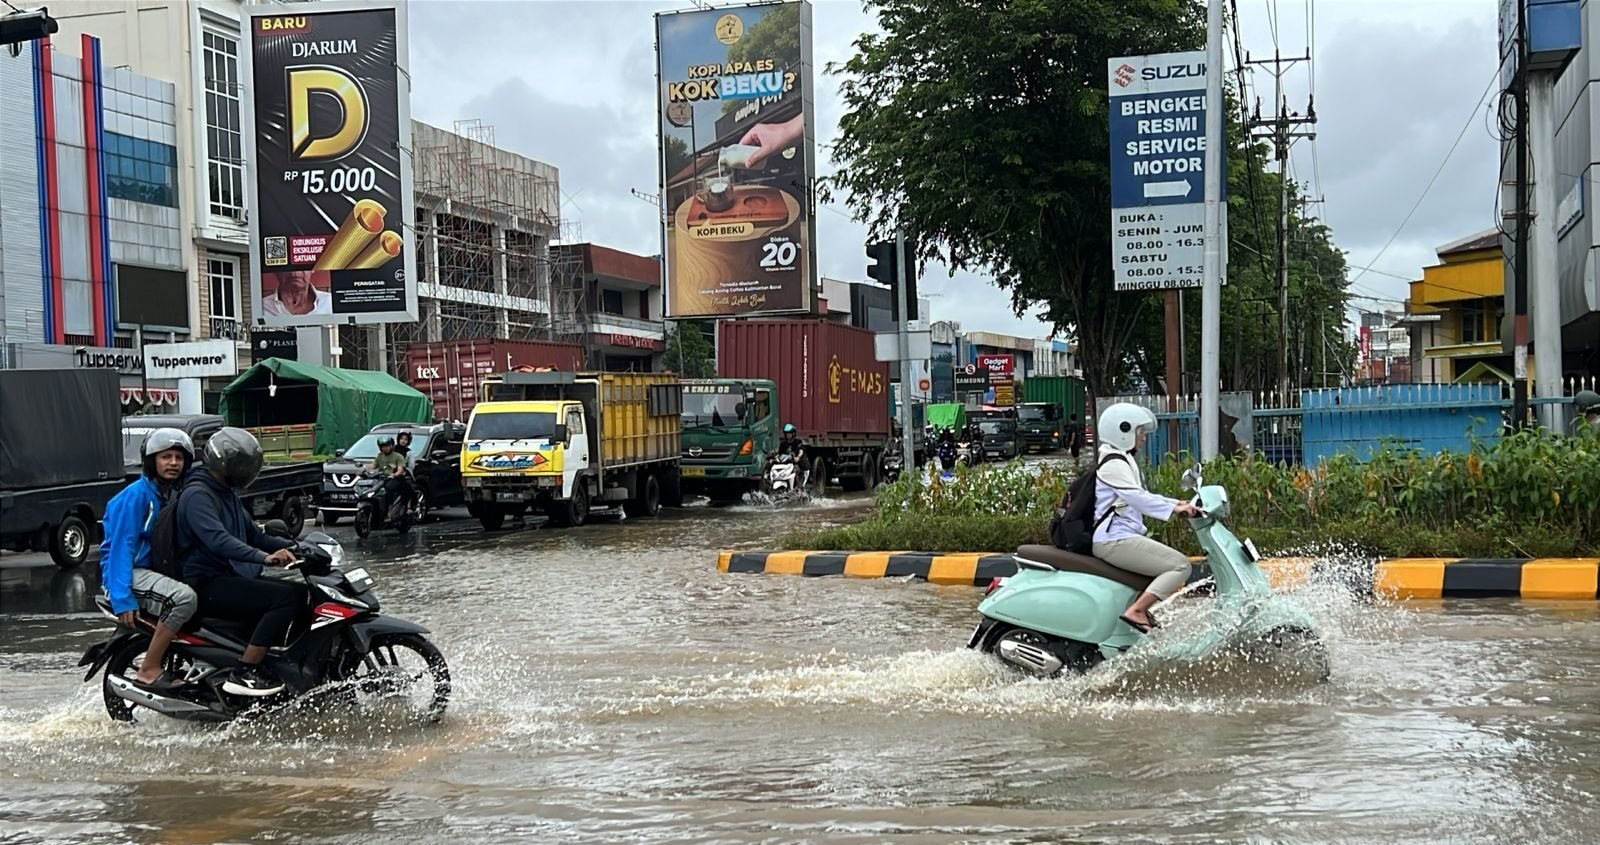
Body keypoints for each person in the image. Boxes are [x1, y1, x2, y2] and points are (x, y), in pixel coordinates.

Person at [177, 427, 301, 696]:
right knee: (286, 597)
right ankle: (245, 670)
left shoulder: (225, 492)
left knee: (304, 593)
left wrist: (298, 547)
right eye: (242, 467)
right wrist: (265, 558)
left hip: (228, 575)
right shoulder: (197, 495)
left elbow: (254, 535)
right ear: (225, 464)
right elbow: (219, 541)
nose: (246, 473)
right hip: (206, 582)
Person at [98, 428, 201, 690]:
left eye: (179, 457)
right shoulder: (136, 496)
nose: (173, 463)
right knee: (184, 598)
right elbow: (122, 548)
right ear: (152, 460)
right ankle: (149, 668)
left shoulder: (168, 494)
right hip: (128, 573)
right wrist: (122, 599)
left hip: (150, 572)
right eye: (166, 457)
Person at [1091, 403, 1203, 633]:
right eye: (1139, 431)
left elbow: (1140, 495)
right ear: (1122, 431)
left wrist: (1176, 503)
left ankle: (1137, 610)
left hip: (1120, 536)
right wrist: (1174, 510)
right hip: (1113, 539)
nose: (1142, 437)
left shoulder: (1119, 458)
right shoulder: (1113, 462)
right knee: (1180, 566)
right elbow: (1137, 498)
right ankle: (1137, 611)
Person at [372, 436, 413, 519]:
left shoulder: (398, 456)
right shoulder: (379, 456)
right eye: (383, 446)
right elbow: (373, 466)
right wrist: (363, 470)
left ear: (391, 446)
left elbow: (400, 469)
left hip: (395, 479)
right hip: (381, 479)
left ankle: (389, 511)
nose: (385, 448)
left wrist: (395, 474)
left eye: (387, 446)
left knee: (389, 489)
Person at [262, 269, 332, 316]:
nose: (294, 273)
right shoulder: (262, 308)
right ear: (274, 271)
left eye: (301, 265)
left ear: (313, 268)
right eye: (287, 266)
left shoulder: (332, 303)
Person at [778, 423, 809, 487]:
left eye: (789, 433)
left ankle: (798, 488)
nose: (787, 435)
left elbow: (801, 450)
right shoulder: (783, 444)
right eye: (786, 434)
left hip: (798, 464)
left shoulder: (798, 442)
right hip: (786, 464)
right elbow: (780, 454)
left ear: (793, 434)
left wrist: (798, 457)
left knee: (795, 470)